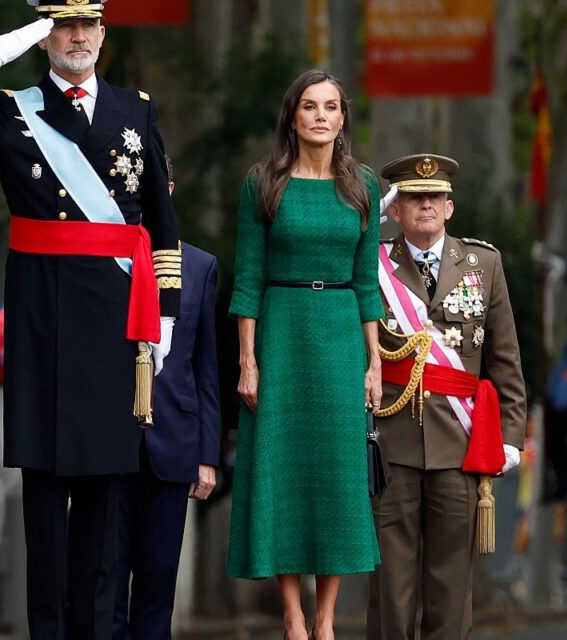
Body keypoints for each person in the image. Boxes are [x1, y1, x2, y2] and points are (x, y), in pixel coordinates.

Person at [0, 2, 181, 635]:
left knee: (105, 493)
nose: (78, 37)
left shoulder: (135, 109)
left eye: (89, 25)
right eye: (64, 26)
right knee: (43, 497)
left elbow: (162, 223)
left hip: (116, 317)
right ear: (44, 39)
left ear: (102, 33)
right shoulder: (14, 110)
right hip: (42, 314)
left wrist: (165, 314)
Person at [227, 69, 384, 640]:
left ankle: (326, 620)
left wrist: (374, 364)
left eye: (332, 106)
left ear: (343, 119)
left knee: (338, 476)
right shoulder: (263, 183)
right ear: (292, 115)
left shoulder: (362, 185)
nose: (321, 115)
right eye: (310, 106)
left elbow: (367, 283)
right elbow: (247, 277)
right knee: (283, 471)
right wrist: (248, 360)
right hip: (282, 330)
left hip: (341, 333)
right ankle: (292, 616)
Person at [368, 154, 526, 639]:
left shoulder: (484, 263)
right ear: (396, 210)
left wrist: (511, 438)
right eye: (414, 198)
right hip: (391, 443)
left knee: (452, 583)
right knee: (390, 584)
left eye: (434, 197)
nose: (426, 206)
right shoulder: (372, 264)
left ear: (450, 207)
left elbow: (505, 361)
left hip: (460, 444)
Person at [114, 161, 221, 640]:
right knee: (105, 579)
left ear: (170, 190)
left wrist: (207, 455)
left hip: (174, 444)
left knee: (158, 582)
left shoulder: (200, 266)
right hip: (108, 442)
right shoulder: (101, 259)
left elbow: (206, 368)